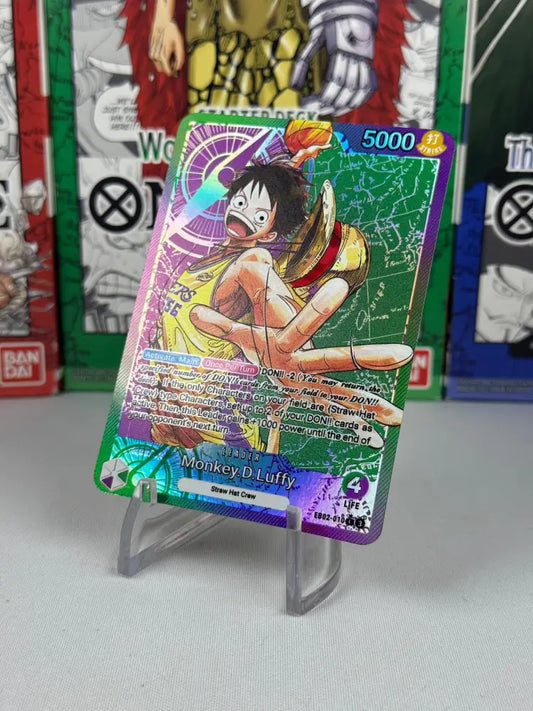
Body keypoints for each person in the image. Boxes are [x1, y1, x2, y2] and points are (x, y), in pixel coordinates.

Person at [151, 126, 413, 453]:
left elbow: (283, 345)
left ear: (271, 235)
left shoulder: (253, 262)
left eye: (260, 214)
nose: (243, 212)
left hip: (226, 436)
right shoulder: (205, 262)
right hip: (178, 423)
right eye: (240, 201)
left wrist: (292, 363)